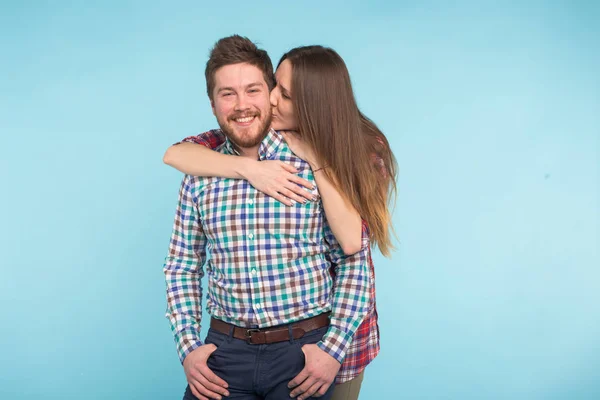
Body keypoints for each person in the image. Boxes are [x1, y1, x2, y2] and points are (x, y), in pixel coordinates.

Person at [163, 43, 397, 400]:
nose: (255, 104)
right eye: (228, 93)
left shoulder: (349, 160)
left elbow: (353, 252)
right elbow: (182, 263)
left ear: (308, 106)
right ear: (212, 102)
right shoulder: (204, 165)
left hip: (317, 348)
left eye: (269, 93)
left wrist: (332, 349)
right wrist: (187, 346)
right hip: (227, 350)